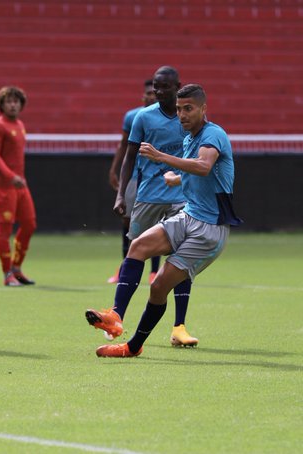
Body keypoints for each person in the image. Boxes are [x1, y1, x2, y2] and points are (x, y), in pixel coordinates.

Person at [93, 84, 241, 357]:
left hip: (208, 231)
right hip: (189, 215)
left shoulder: (213, 134)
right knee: (137, 246)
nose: (182, 115)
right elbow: (196, 172)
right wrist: (177, 178)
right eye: (179, 109)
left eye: (189, 109)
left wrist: (161, 157)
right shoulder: (188, 139)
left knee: (159, 285)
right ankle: (115, 315)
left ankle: (132, 346)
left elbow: (204, 165)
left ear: (203, 109)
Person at [86, 66, 199, 347]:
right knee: (134, 254)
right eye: (156, 88)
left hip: (180, 199)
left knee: (181, 259)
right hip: (147, 198)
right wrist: (121, 194)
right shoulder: (142, 118)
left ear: (178, 86)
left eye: (165, 87)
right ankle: (116, 317)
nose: (159, 92)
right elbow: (129, 156)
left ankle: (179, 327)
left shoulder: (190, 120)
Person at [107, 79, 160, 285]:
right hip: (134, 177)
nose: (151, 96)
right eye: (148, 93)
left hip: (155, 178)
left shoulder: (169, 117)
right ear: (143, 96)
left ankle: (154, 272)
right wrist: (114, 169)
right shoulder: (133, 116)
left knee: (156, 224)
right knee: (128, 222)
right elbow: (124, 146)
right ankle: (123, 268)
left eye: (154, 93)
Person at [0, 86, 37, 287]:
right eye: (9, 101)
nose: (13, 104)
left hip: (20, 185)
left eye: (16, 101)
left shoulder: (19, 124)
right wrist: (10, 176)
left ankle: (16, 268)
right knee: (5, 229)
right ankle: (7, 272)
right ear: (2, 104)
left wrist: (18, 178)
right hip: (4, 187)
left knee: (30, 224)